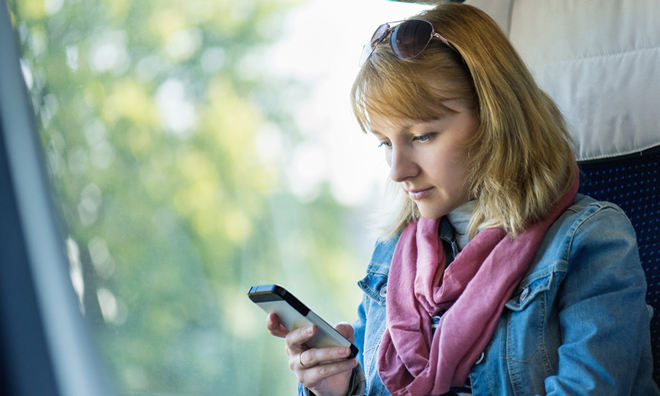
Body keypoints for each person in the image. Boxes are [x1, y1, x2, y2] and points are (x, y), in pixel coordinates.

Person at [266, 3, 660, 395]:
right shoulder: (394, 252)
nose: (398, 170)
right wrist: (341, 387)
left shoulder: (591, 239)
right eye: (386, 143)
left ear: (495, 118)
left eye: (422, 136)